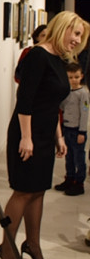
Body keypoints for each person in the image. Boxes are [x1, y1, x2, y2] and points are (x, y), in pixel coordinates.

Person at [0, 11, 89, 259]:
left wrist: (58, 136)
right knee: (23, 192)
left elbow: (52, 103)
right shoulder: (38, 55)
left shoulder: (59, 59)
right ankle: (7, 250)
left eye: (81, 37)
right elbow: (25, 100)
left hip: (47, 133)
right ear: (63, 28)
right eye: (76, 33)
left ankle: (32, 245)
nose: (77, 40)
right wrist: (26, 138)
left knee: (39, 191)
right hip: (29, 133)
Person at [55, 62, 89, 196]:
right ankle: (69, 178)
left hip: (77, 131)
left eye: (76, 77)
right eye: (70, 77)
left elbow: (85, 113)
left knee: (78, 158)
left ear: (81, 76)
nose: (73, 80)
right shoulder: (67, 92)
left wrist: (82, 132)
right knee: (69, 157)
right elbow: (62, 107)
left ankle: (79, 183)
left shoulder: (83, 94)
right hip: (67, 129)